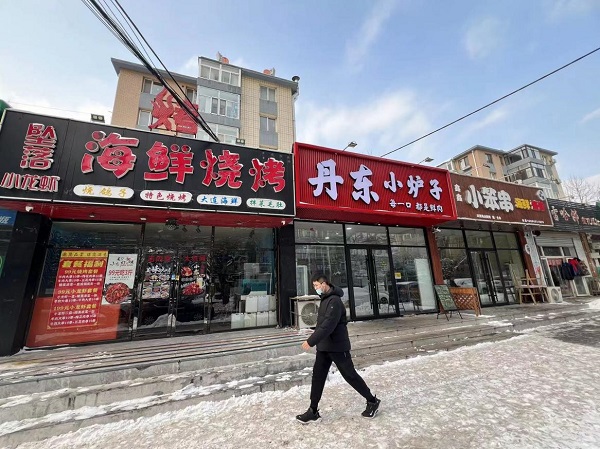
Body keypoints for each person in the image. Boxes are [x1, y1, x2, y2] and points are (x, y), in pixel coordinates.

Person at [296, 274, 380, 424]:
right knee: (318, 377)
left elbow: (328, 325)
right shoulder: (325, 299)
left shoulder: (334, 301)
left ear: (324, 284)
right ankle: (313, 411)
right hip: (324, 347)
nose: (315, 289)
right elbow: (322, 325)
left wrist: (311, 341)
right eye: (314, 286)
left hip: (337, 347)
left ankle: (372, 401)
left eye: (316, 285)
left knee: (350, 375)